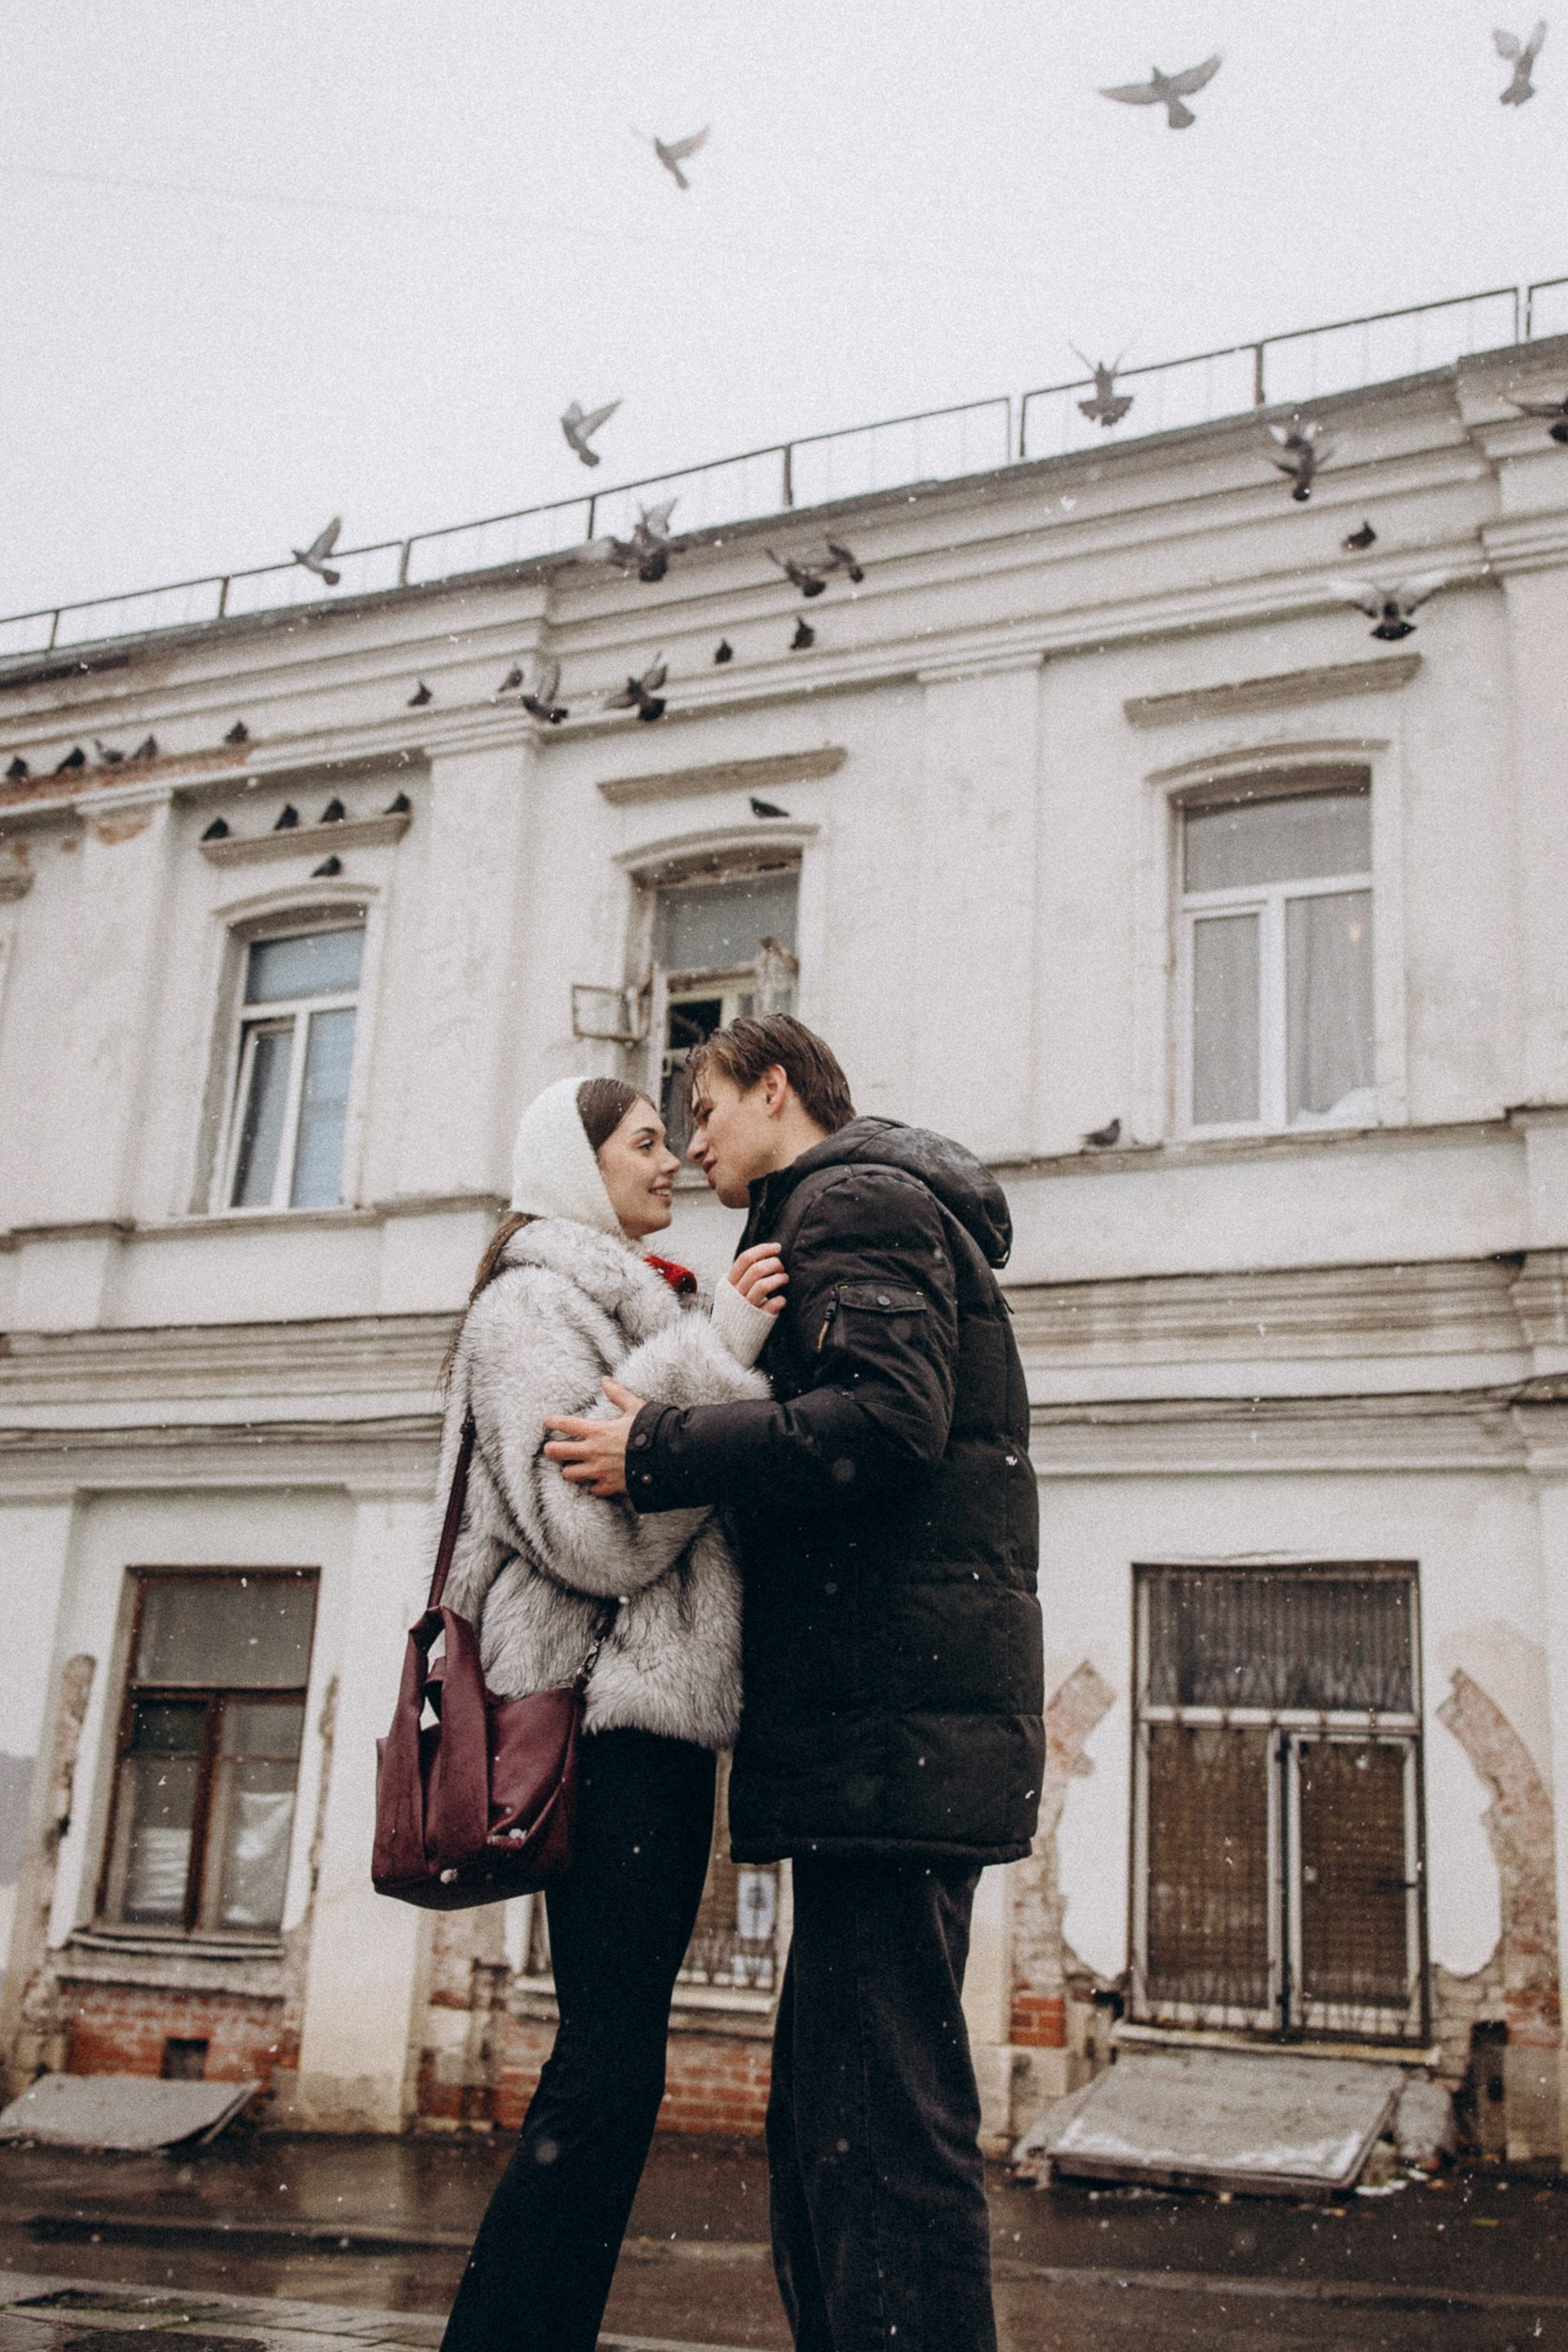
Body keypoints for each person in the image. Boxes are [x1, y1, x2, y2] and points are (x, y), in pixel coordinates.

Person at [544, 1017, 1045, 2352]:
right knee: (836, 2119)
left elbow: (886, 1424)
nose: (690, 1141)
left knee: (876, 2125)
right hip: (884, 1727)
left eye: (704, 1109)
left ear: (776, 1090)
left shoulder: (854, 1200)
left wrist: (661, 1449)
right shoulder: (832, 1211)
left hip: (890, 1729)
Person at [438, 1072, 786, 2352]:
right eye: (645, 1140)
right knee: (606, 2063)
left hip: (652, 1719)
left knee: (616, 2061)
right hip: (596, 1717)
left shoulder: (640, 1302)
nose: (672, 1160)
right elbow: (588, 1534)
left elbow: (645, 1471)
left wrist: (687, 1396)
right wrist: (717, 1365)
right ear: (577, 1165)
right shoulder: (529, 1306)